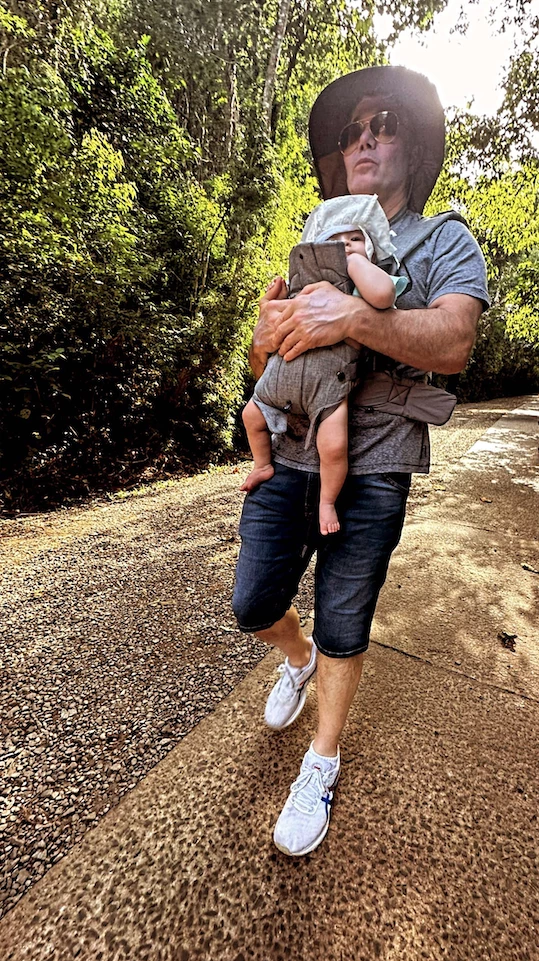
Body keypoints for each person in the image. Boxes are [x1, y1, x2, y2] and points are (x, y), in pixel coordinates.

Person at [232, 66, 490, 857]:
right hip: (292, 449)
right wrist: (270, 330)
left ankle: (322, 757)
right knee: (250, 602)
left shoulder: (442, 238)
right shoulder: (310, 237)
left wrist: (353, 312)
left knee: (347, 615)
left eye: (381, 125)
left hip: (375, 458)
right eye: (352, 131)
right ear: (339, 158)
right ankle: (294, 656)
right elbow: (258, 360)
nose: (364, 137)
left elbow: (452, 342)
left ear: (409, 146)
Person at [241, 194, 408, 535]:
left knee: (333, 447)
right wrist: (275, 299)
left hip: (327, 390)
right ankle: (261, 464)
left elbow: (383, 296)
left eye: (355, 239)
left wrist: (358, 264)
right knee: (250, 415)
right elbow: (274, 323)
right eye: (335, 240)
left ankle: (327, 501)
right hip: (280, 382)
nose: (345, 245)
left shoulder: (362, 285)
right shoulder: (306, 283)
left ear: (372, 248)